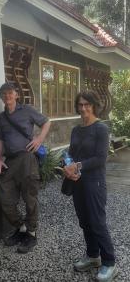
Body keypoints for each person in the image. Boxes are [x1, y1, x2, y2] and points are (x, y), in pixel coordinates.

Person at [63, 90, 117, 282]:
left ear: (94, 106)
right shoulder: (76, 130)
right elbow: (70, 153)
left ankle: (109, 262)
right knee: (84, 221)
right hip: (77, 182)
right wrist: (67, 165)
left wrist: (78, 166)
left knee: (97, 221)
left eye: (87, 104)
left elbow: (100, 158)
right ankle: (93, 256)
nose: (83, 108)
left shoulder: (100, 129)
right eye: (80, 104)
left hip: (95, 182)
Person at [0, 82, 51, 254]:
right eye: (3, 93)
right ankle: (22, 227)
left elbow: (47, 122)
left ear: (16, 95)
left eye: (10, 93)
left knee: (29, 197)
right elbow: (0, 139)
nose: (7, 96)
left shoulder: (27, 110)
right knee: (5, 198)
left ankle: (31, 234)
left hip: (27, 159)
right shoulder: (1, 118)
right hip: (9, 161)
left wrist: (39, 139)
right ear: (1, 97)